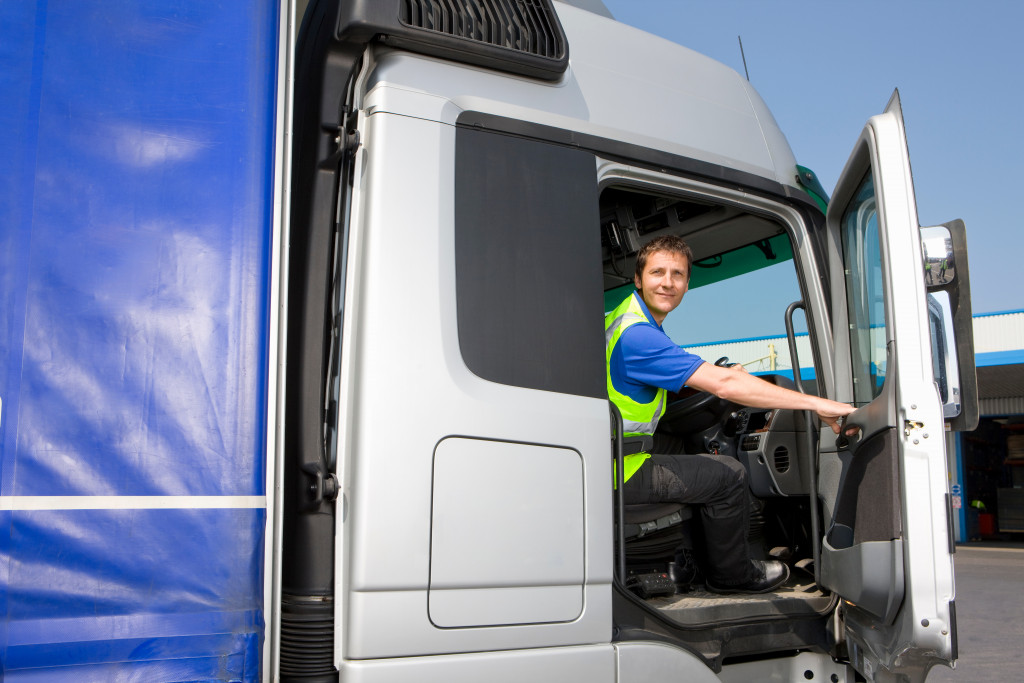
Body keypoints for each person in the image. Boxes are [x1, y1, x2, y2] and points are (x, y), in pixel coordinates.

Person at [606, 235, 856, 594]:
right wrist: (817, 403)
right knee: (729, 474)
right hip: (621, 471)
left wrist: (720, 377)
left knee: (686, 447)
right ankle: (733, 575)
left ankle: (693, 555)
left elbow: (687, 376)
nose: (668, 282)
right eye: (657, 272)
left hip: (611, 455)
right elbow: (722, 385)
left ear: (687, 284)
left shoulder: (624, 322)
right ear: (638, 278)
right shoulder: (639, 337)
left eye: (677, 274)